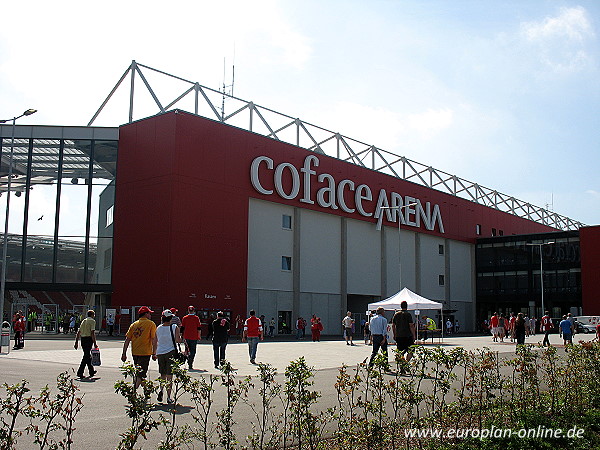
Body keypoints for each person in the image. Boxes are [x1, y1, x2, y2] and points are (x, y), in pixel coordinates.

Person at [121, 306, 158, 389]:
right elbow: (154, 339)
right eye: (149, 313)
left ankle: (146, 390)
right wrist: (154, 352)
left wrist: (124, 353)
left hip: (135, 352)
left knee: (139, 373)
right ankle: (134, 391)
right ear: (146, 314)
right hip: (145, 352)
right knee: (140, 375)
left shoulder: (134, 324)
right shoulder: (151, 324)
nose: (150, 315)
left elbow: (127, 339)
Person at [155, 310, 182, 404]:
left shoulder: (158, 328)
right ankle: (169, 397)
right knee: (170, 376)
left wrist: (154, 353)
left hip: (160, 353)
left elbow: (155, 341)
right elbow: (178, 340)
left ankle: (161, 390)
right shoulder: (174, 327)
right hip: (170, 352)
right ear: (171, 318)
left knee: (162, 374)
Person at [74, 310, 98, 378]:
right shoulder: (92, 321)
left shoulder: (84, 321)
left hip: (83, 339)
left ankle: (91, 371)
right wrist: (95, 343)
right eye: (94, 314)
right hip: (88, 339)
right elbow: (92, 333)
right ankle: (80, 372)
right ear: (92, 315)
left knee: (87, 355)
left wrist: (76, 342)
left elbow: (79, 332)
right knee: (86, 356)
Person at [180, 305, 202, 370]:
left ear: (188, 311)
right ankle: (190, 362)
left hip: (186, 336)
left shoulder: (185, 318)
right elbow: (199, 328)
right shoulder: (196, 318)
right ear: (194, 310)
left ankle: (187, 359)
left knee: (187, 350)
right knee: (193, 350)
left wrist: (181, 336)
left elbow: (182, 328)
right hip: (194, 337)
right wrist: (199, 336)